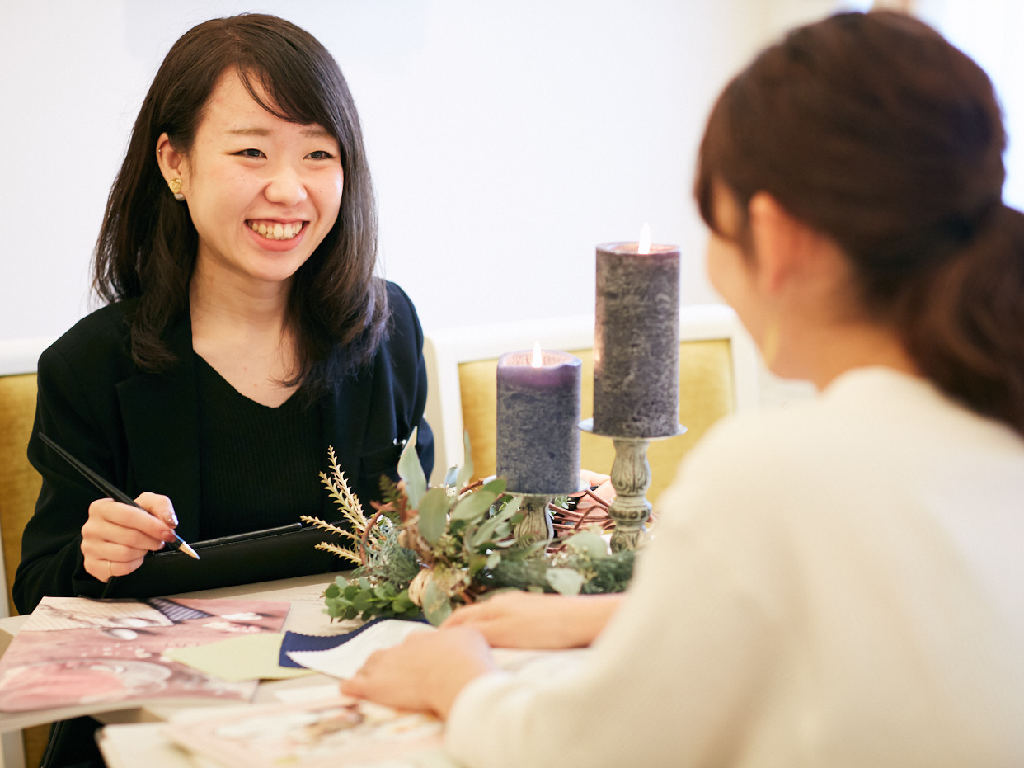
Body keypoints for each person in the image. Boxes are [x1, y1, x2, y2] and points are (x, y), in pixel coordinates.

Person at [340, 11, 1024, 767]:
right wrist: (616, 615)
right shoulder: (988, 422)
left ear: (776, 236)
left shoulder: (777, 472)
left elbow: (582, 752)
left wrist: (455, 678)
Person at [13, 13, 433, 767]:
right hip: (161, 728)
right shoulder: (89, 365)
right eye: (250, 152)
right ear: (173, 164)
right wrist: (95, 555)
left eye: (318, 154)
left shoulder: (385, 328)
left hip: (349, 717)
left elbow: (415, 528)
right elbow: (38, 588)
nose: (288, 189)